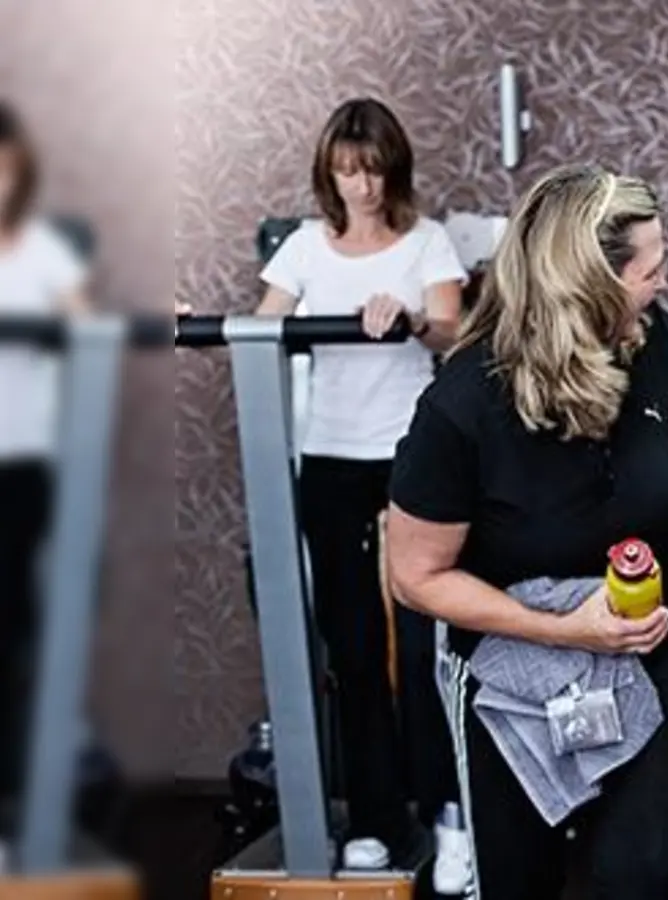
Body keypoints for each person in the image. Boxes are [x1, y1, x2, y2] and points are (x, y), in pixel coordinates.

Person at [384, 163, 668, 899]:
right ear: (589, 284)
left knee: (638, 876)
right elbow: (415, 578)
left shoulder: (645, 342)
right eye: (652, 270)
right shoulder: (461, 406)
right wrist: (562, 631)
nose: (663, 283)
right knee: (519, 882)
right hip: (508, 668)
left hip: (655, 644)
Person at [232, 97, 467, 870]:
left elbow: (451, 327)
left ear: (390, 170)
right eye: (346, 172)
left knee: (431, 637)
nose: (361, 188)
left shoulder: (425, 242)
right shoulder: (304, 247)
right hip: (329, 455)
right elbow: (260, 325)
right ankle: (375, 820)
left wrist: (405, 314)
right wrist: (199, 318)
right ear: (329, 174)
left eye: (371, 172)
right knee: (356, 649)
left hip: (410, 453)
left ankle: (448, 813)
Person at [0, 99, 92, 853]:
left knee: (14, 637)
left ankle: (17, 815)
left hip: (22, 466)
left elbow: (87, 322)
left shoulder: (41, 253)